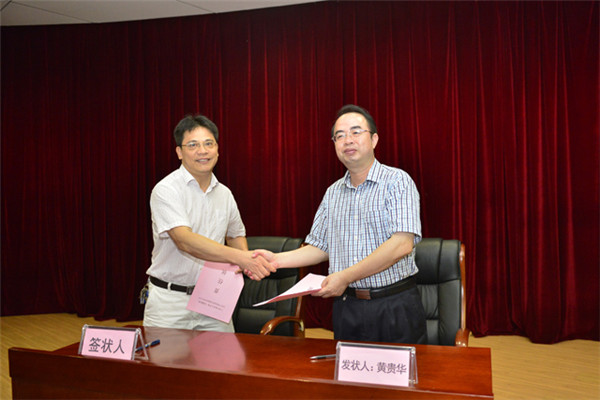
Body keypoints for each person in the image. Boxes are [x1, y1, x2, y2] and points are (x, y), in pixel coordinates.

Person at [254, 105, 427, 344]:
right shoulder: (333, 193)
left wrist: (345, 276)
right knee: (348, 369)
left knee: (398, 370)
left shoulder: (397, 181)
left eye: (356, 132)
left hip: (394, 305)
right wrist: (275, 260)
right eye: (340, 135)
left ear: (374, 139)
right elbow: (319, 247)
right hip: (347, 307)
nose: (348, 140)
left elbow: (401, 244)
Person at [143, 114, 275, 332]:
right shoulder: (166, 190)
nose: (202, 151)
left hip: (214, 298)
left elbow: (235, 234)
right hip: (170, 301)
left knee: (222, 355)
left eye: (208, 144)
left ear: (217, 149)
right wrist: (241, 258)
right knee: (167, 355)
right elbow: (185, 241)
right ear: (179, 152)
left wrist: (246, 262)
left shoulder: (224, 193)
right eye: (193, 145)